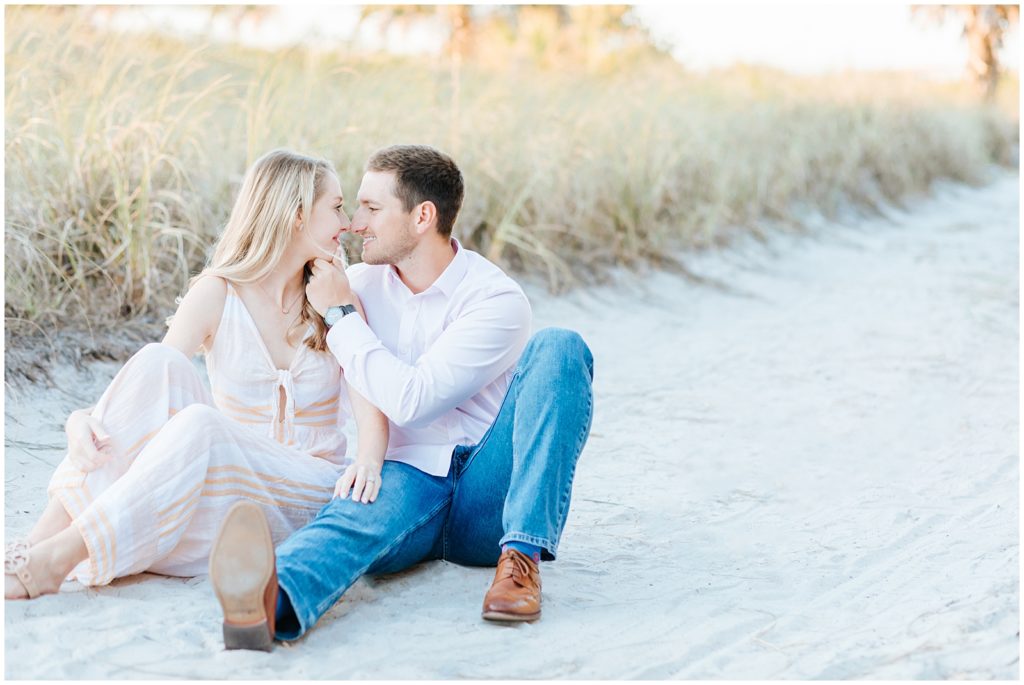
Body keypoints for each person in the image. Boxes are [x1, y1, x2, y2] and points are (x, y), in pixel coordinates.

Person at [210, 144, 594, 648]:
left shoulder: (493, 298)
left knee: (560, 348)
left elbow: (414, 401)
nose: (354, 223)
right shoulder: (354, 283)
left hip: (488, 493)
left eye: (371, 209)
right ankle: (268, 601)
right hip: (404, 479)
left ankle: (521, 560)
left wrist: (342, 318)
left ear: (422, 217)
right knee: (350, 516)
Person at [4, 150, 389, 618]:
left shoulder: (337, 297)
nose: (346, 222)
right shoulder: (219, 291)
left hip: (302, 489)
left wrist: (368, 461)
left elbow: (371, 413)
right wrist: (80, 419)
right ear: (296, 215)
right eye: (337, 207)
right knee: (157, 362)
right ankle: (35, 542)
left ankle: (61, 555)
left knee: (203, 425)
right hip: (224, 484)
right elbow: (145, 391)